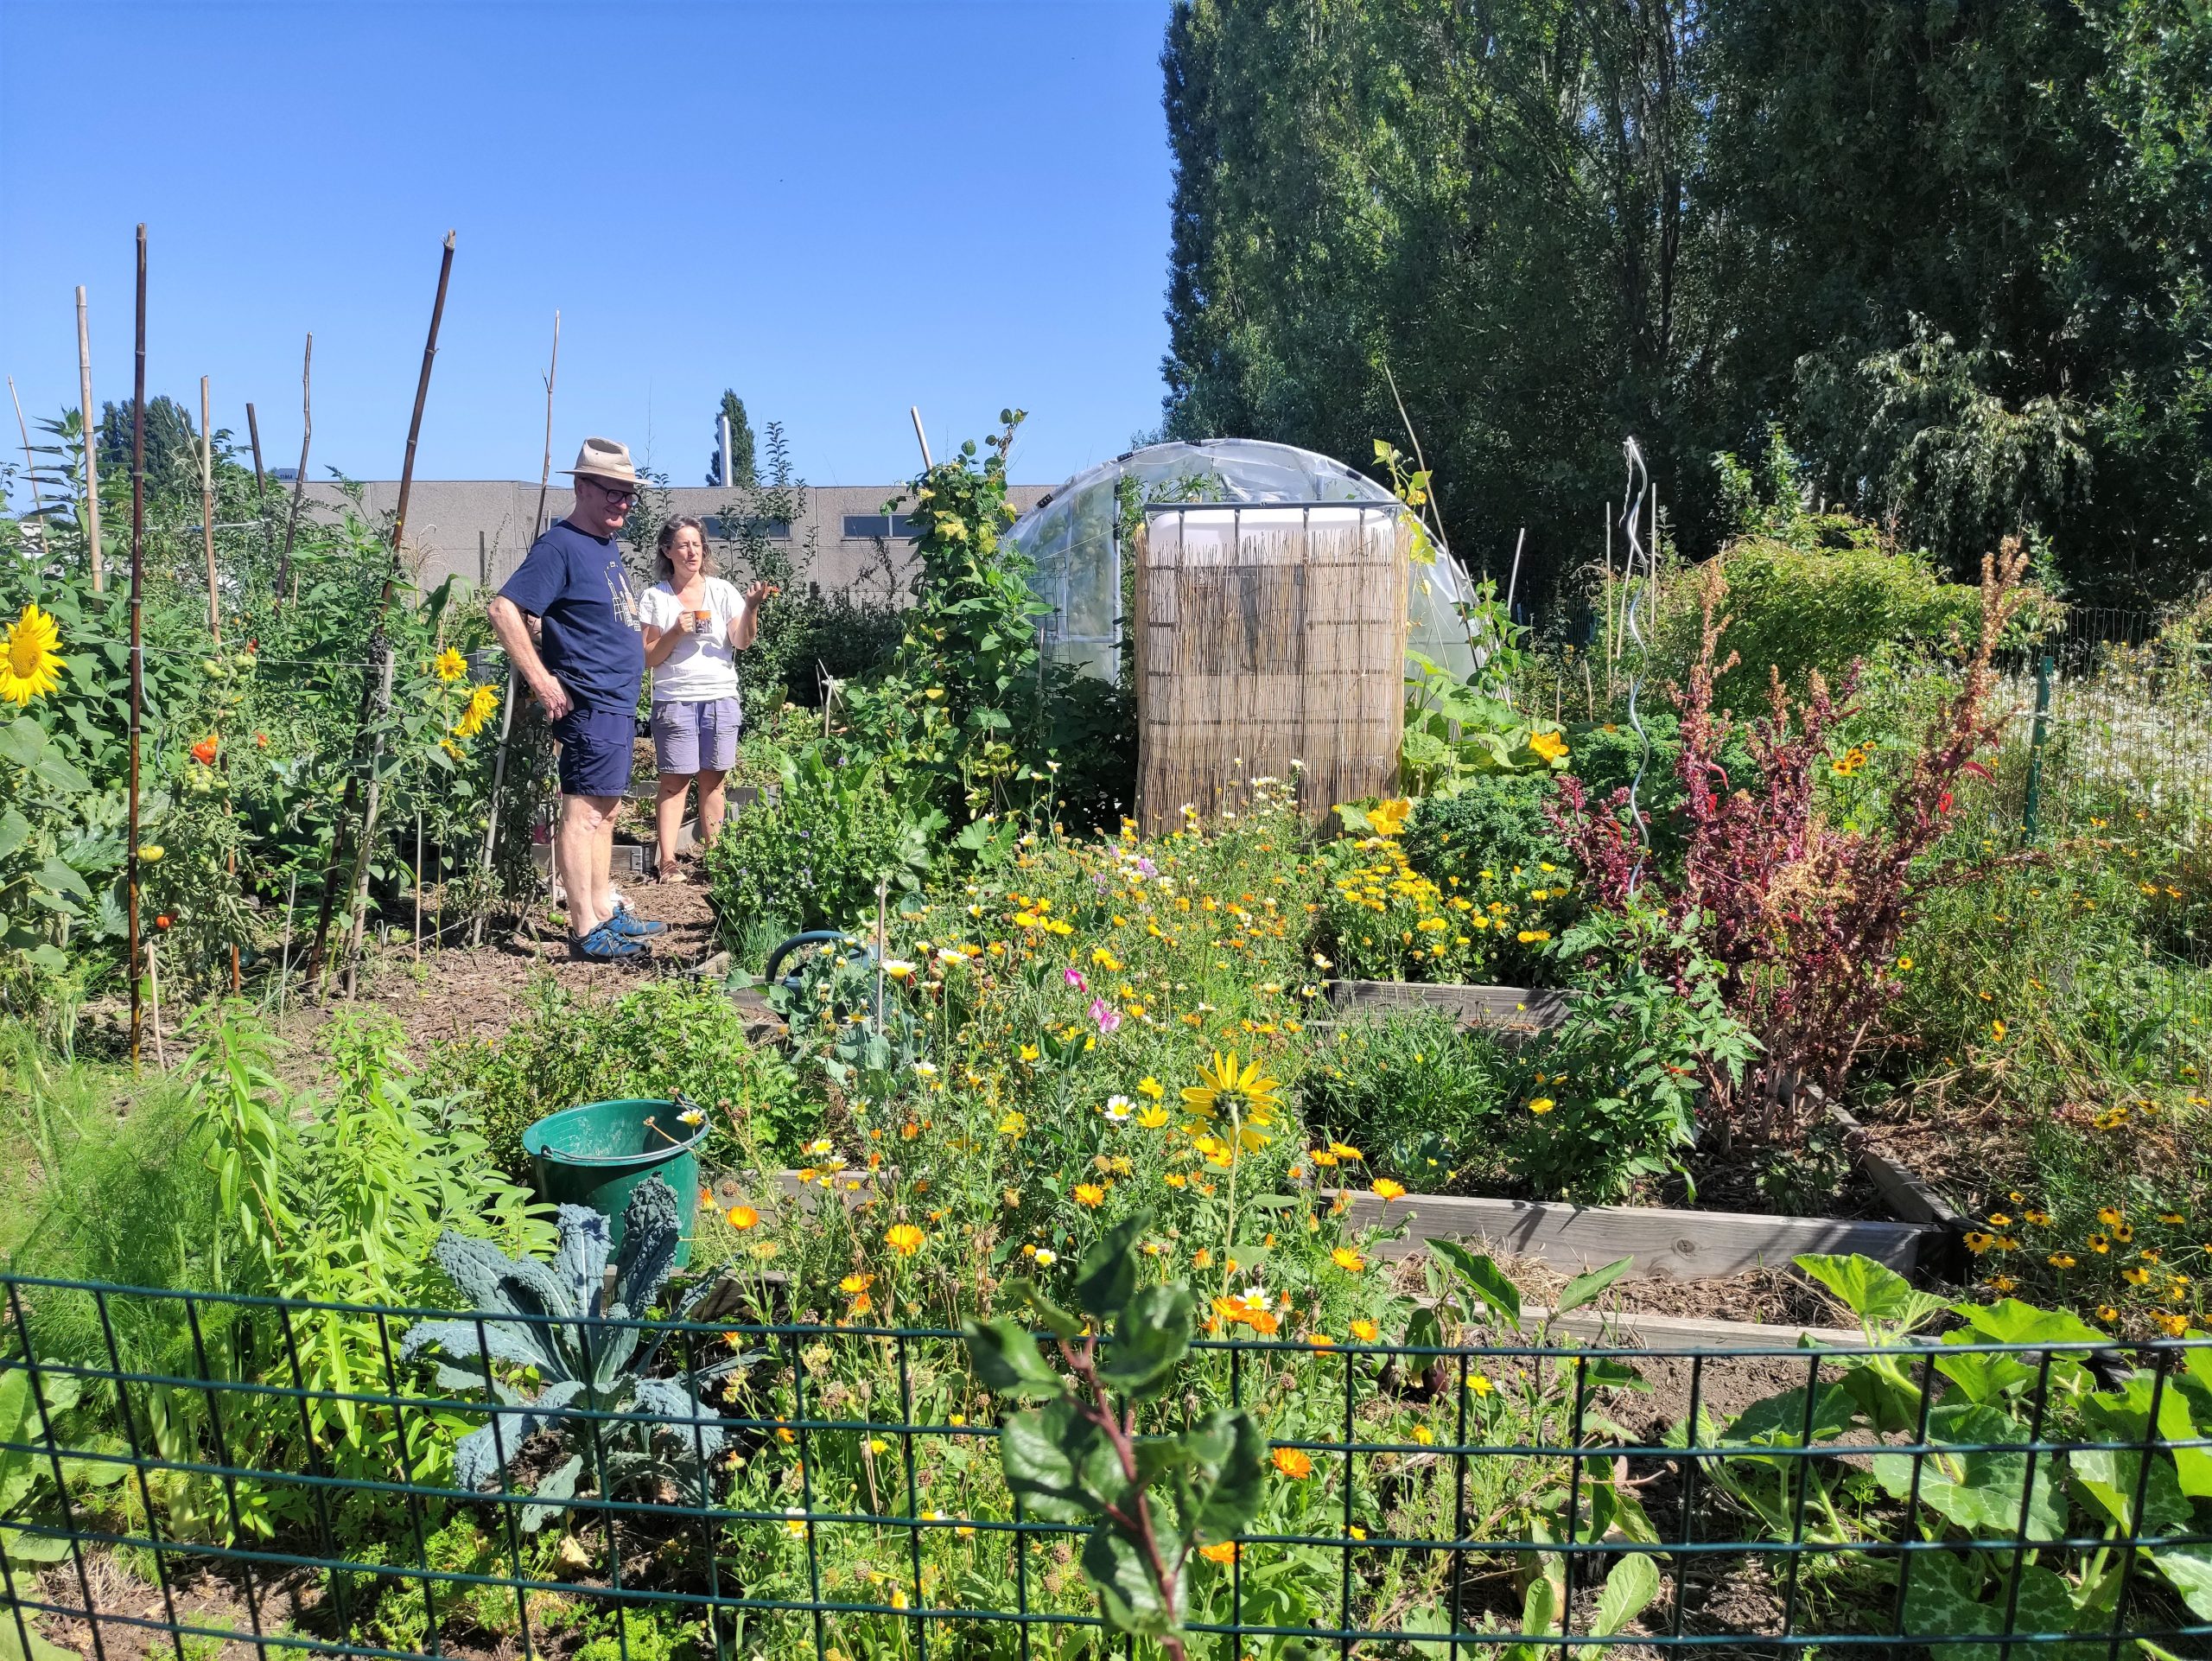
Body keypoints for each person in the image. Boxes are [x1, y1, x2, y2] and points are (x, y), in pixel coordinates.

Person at [486, 436, 670, 961]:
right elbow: (503, 610)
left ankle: (605, 913)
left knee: (606, 812)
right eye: (613, 493)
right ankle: (586, 929)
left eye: (629, 495)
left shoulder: (604, 546)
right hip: (587, 700)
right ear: (582, 486)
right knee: (584, 811)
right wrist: (543, 680)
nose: (624, 504)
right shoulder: (559, 546)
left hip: (614, 698)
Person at [639, 516, 773, 875]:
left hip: (720, 696)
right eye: (683, 545)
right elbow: (649, 657)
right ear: (667, 551)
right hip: (675, 698)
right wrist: (675, 631)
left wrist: (752, 607)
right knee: (674, 781)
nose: (691, 551)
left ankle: (715, 858)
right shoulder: (655, 597)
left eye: (696, 544)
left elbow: (742, 641)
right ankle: (667, 862)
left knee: (714, 779)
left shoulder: (722, 591)